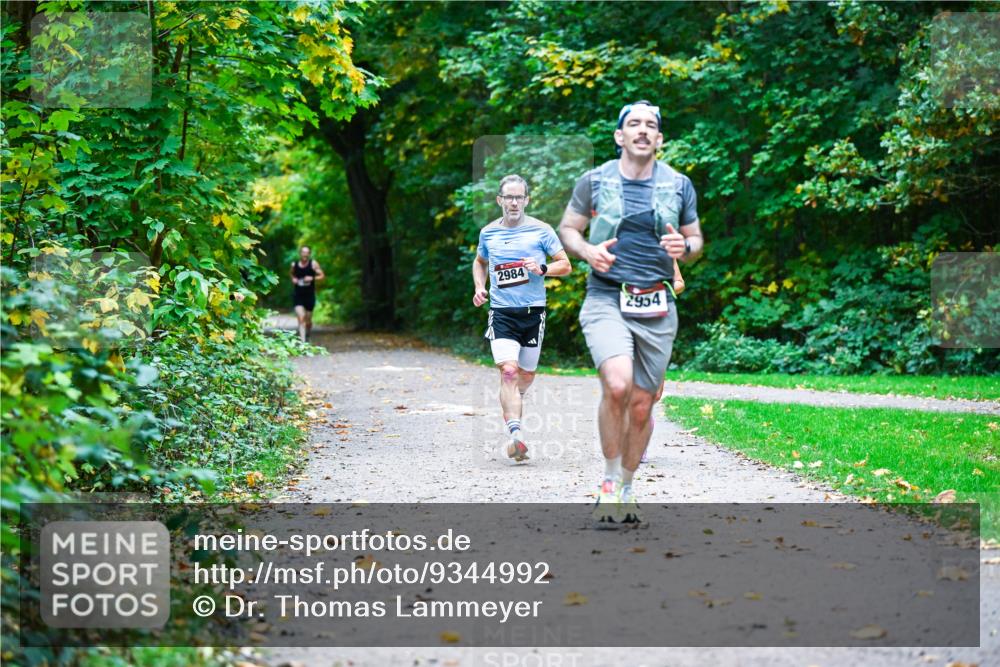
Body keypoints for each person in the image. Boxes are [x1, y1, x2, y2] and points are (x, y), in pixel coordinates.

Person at [558, 101, 703, 524]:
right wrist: (586, 251)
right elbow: (568, 228)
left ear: (659, 139)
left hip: (656, 302)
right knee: (618, 385)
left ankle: (626, 484)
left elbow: (695, 243)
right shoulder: (595, 181)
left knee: (642, 403)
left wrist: (685, 250)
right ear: (620, 136)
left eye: (651, 125)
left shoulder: (678, 185)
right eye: (634, 124)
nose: (642, 130)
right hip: (606, 296)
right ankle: (607, 482)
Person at [473, 175, 572, 462]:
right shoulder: (488, 233)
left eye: (519, 197)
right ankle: (515, 436)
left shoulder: (541, 231)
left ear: (527, 200)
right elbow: (480, 262)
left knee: (524, 377)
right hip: (502, 313)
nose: (514, 202)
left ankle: (512, 401)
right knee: (509, 372)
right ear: (499, 200)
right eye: (509, 197)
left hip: (533, 313)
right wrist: (480, 287)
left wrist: (542, 268)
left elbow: (565, 265)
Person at [290, 246, 325, 342]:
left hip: (309, 295)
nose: (305, 254)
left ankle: (308, 334)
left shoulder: (313, 264)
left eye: (307, 252)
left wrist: (312, 278)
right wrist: (294, 279)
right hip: (298, 295)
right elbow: (292, 274)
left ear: (309, 254)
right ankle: (303, 343)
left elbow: (322, 276)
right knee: (301, 317)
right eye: (303, 252)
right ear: (300, 253)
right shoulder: (294, 265)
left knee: (308, 320)